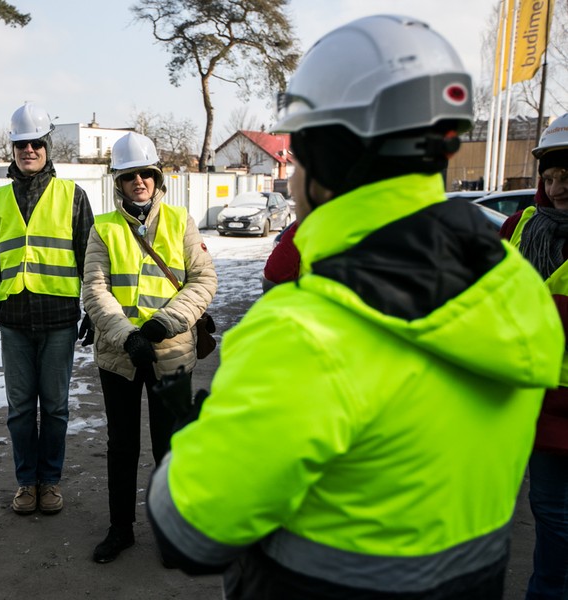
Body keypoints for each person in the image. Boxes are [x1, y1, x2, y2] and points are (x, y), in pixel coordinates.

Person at [147, 15, 564, 599]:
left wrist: (193, 444)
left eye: (295, 156)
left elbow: (188, 533)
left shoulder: (307, 332)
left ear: (326, 156)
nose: (290, 178)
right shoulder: (516, 291)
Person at [83, 132, 217, 563]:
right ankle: (120, 529)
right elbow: (95, 290)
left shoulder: (181, 222)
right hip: (119, 356)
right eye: (129, 176)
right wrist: (128, 336)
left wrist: (162, 324)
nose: (138, 181)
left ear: (157, 179)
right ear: (118, 182)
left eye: (146, 173)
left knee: (170, 445)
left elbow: (203, 280)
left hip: (172, 350)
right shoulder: (103, 228)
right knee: (122, 447)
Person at [0, 102, 94, 516]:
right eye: (21, 145)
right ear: (12, 149)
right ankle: (27, 483)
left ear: (47, 147)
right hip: (14, 322)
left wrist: (92, 310)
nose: (29, 151)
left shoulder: (73, 196)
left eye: (36, 144)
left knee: (56, 408)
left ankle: (51, 481)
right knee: (21, 409)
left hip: (59, 320)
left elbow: (91, 261)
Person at [500, 113, 568, 600]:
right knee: (554, 524)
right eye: (551, 178)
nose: (559, 187)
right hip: (541, 410)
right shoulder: (520, 228)